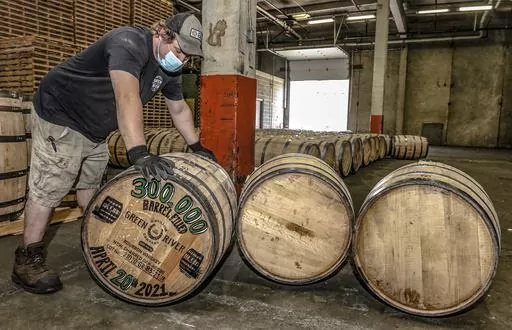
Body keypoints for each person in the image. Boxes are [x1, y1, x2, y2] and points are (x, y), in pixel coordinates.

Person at [12, 13, 215, 294]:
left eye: (188, 57)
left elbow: (179, 109)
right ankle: (27, 259)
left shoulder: (170, 70)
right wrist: (139, 153)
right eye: (179, 51)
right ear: (162, 34)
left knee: (91, 186)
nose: (181, 61)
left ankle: (95, 239)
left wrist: (197, 146)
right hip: (61, 114)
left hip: (94, 129)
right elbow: (127, 98)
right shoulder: (128, 43)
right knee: (50, 186)